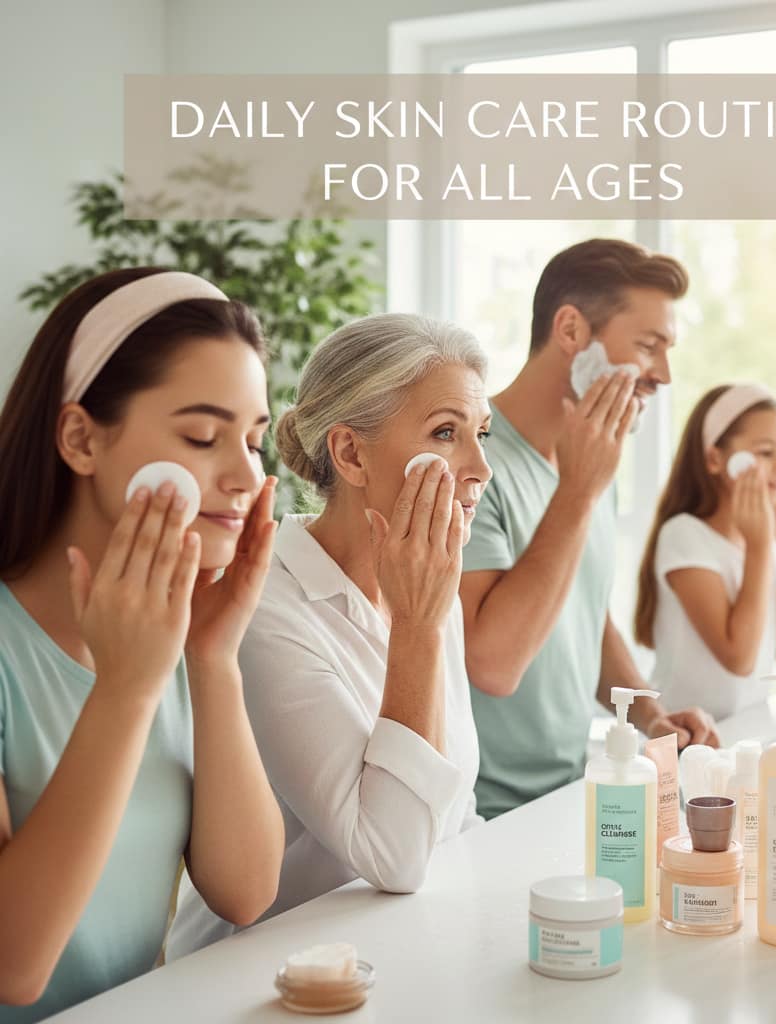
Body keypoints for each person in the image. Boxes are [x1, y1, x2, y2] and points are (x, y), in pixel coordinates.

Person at [0, 269, 284, 1022]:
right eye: (201, 436)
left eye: (254, 441)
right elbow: (13, 966)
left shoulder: (176, 633)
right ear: (80, 438)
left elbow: (246, 891)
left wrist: (212, 657)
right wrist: (125, 689)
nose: (243, 475)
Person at [167, 314, 490, 957]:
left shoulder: (426, 578)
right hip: (261, 976)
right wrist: (420, 629)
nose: (479, 467)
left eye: (482, 434)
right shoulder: (263, 611)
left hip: (396, 946)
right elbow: (392, 856)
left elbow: (452, 815)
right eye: (447, 433)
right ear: (349, 453)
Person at [459, 238, 719, 821]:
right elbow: (493, 665)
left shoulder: (589, 463)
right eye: (648, 347)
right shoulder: (472, 464)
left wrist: (651, 717)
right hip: (481, 815)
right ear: (571, 331)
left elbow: (583, 615)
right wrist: (578, 491)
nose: (665, 375)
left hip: (567, 793)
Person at [634, 383, 776, 720]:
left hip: (743, 735)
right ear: (716, 459)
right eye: (765, 452)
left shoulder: (762, 543)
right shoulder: (685, 535)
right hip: (687, 741)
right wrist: (761, 547)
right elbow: (739, 658)